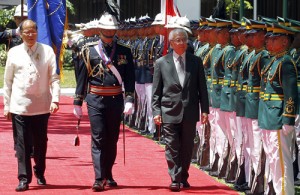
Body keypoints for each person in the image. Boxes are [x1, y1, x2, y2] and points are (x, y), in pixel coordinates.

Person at [72, 12, 135, 192]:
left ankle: (108, 172)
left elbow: (130, 77)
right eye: (106, 29)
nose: (109, 33)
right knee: (98, 138)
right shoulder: (89, 50)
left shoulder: (125, 50)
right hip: (95, 99)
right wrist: (77, 102)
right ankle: (99, 178)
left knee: (112, 139)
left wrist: (129, 98)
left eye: (112, 29)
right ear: (100, 29)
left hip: (115, 99)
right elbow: (82, 78)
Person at [3, 19, 60, 192]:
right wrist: (7, 105)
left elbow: (54, 79)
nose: (30, 35)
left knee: (40, 143)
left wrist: (55, 99)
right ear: (20, 33)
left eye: (33, 31)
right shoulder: (14, 52)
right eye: (26, 32)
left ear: (37, 32)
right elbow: (8, 81)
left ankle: (40, 171)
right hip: (19, 105)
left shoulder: (47, 51)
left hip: (41, 106)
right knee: (21, 144)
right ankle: (23, 178)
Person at [152, 28, 209, 192]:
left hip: (190, 111)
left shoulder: (195, 61)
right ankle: (175, 178)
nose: (182, 43)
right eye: (178, 40)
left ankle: (183, 175)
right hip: (169, 111)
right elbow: (156, 91)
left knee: (187, 146)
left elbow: (202, 88)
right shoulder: (161, 63)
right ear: (171, 43)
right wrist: (156, 112)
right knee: (171, 145)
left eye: (184, 40)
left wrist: (204, 110)